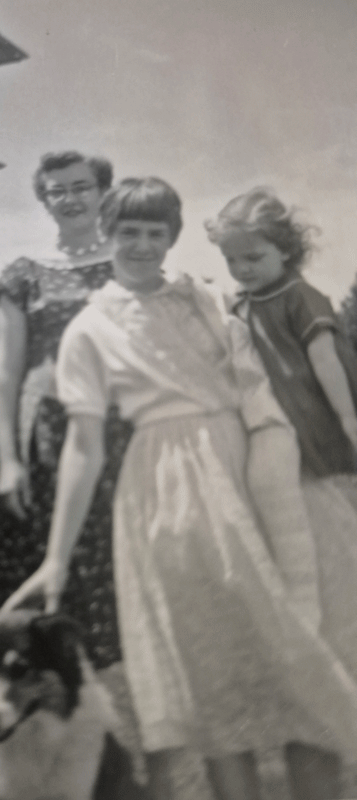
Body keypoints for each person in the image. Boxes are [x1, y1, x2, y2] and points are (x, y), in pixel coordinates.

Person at [4, 178, 357, 800]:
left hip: (256, 467)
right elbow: (83, 447)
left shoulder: (209, 298)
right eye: (128, 232)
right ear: (107, 234)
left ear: (173, 237)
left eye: (156, 233)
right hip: (170, 490)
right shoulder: (89, 328)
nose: (142, 245)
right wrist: (56, 557)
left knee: (306, 653)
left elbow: (276, 369)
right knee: (216, 673)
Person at [206, 187, 357, 799]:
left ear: (286, 250)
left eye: (254, 257)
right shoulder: (239, 308)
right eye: (232, 260)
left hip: (309, 424)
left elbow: (326, 361)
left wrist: (348, 419)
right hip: (269, 434)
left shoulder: (300, 297)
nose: (242, 269)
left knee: (314, 536)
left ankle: (307, 613)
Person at [0, 150, 133, 669]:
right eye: (57, 191)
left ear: (103, 193)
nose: (70, 199)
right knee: (49, 555)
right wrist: (8, 460)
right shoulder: (23, 274)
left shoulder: (128, 262)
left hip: (120, 427)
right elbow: (5, 373)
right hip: (48, 431)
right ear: (44, 201)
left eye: (81, 187)